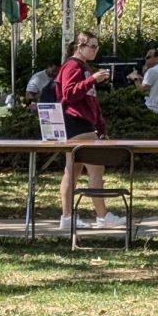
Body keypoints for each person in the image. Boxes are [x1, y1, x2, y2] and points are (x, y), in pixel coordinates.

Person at [56, 31, 127, 230]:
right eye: (92, 46)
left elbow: (91, 101)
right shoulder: (72, 66)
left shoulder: (83, 67)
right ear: (80, 46)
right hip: (75, 123)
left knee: (72, 171)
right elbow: (68, 94)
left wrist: (101, 127)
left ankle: (67, 218)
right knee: (96, 169)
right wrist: (92, 79)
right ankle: (103, 216)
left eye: (97, 47)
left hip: (85, 124)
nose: (95, 50)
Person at [129, 49, 158, 115]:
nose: (146, 60)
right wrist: (141, 77)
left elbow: (141, 90)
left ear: (157, 58)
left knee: (130, 109)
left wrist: (135, 78)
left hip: (155, 107)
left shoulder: (152, 71)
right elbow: (152, 83)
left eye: (148, 57)